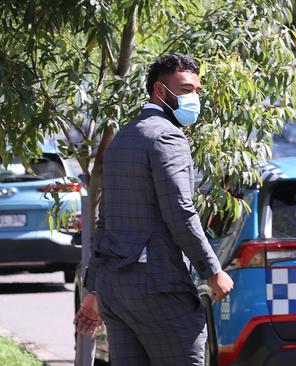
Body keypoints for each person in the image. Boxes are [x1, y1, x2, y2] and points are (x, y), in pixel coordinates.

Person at [74, 53, 234, 366]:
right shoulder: (167, 136)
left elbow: (105, 221)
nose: (194, 99)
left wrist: (93, 289)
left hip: (117, 292)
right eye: (186, 90)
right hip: (158, 288)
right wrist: (212, 270)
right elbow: (180, 211)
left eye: (196, 92)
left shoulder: (123, 138)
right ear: (160, 91)